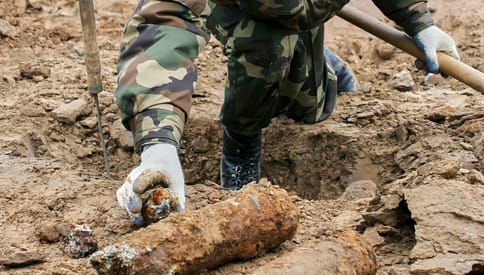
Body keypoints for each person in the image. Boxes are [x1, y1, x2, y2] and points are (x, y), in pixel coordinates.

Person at [114, 0, 460, 226]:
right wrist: (158, 145)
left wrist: (419, 22)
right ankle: (242, 138)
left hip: (303, 11)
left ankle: (316, 63)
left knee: (311, 108)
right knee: (267, 48)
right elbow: (161, 29)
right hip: (243, 13)